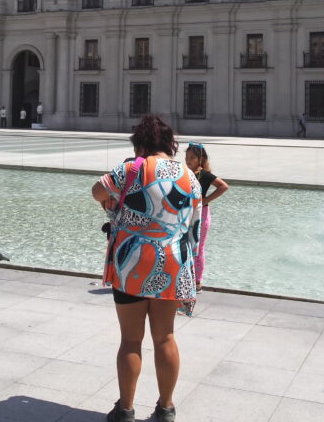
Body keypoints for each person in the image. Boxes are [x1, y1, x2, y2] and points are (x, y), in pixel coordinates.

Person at [91, 114, 202, 422]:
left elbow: (97, 191)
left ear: (139, 143)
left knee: (130, 340)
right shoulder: (190, 177)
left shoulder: (131, 168)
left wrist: (113, 200)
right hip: (173, 263)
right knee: (165, 338)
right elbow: (194, 230)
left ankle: (125, 410)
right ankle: (166, 408)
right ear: (170, 144)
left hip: (132, 263)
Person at [184, 142, 229, 289]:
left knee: (198, 247)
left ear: (200, 159)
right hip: (187, 213)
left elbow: (223, 186)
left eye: (192, 158)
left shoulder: (203, 174)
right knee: (186, 245)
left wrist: (206, 200)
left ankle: (197, 281)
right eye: (187, 157)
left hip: (201, 214)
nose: (188, 160)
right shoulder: (184, 172)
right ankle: (186, 277)